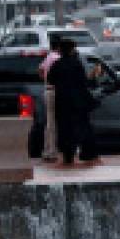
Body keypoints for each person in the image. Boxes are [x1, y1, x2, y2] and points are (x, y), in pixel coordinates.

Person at [45, 37, 100, 165]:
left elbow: (50, 80)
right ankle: (87, 153)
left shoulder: (57, 65)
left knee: (64, 129)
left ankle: (67, 155)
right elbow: (83, 83)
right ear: (71, 49)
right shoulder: (76, 64)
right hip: (77, 102)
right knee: (83, 127)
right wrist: (93, 77)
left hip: (62, 102)